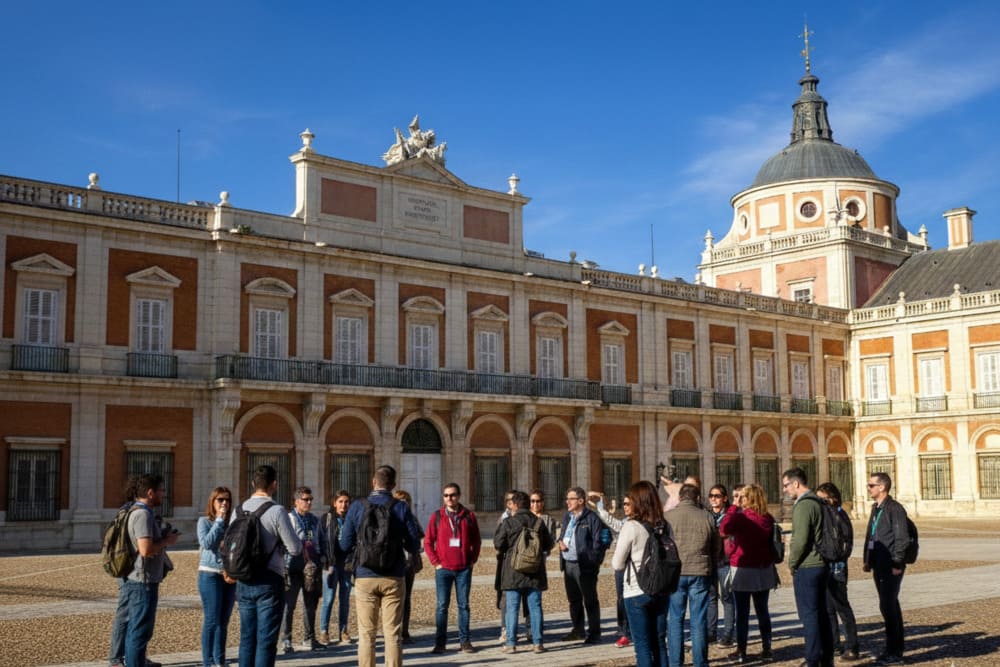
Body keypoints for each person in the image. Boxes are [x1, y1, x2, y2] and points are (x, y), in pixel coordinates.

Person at [340, 464, 423, 667]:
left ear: (373, 482)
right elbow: (414, 543)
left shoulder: (358, 507)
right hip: (393, 575)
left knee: (366, 634)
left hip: (365, 575)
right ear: (393, 485)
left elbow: (344, 543)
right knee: (393, 633)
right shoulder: (401, 507)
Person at [236, 464, 302, 667]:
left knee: (247, 638)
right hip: (270, 578)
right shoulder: (277, 511)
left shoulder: (239, 509)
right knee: (266, 641)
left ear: (253, 484)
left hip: (244, 578)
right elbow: (295, 548)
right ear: (274, 485)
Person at [121, 473, 179, 667]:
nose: (163, 494)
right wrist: (166, 541)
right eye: (161, 490)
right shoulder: (142, 514)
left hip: (140, 579)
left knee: (138, 629)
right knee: (139, 631)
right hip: (142, 580)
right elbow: (145, 550)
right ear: (150, 492)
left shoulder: (137, 512)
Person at [611, 481, 669, 667]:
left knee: (642, 645)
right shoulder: (664, 525)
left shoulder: (631, 527)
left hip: (636, 589)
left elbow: (617, 564)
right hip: (661, 588)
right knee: (659, 642)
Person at [719, 483, 777, 664]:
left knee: (742, 613)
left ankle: (741, 650)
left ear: (748, 498)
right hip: (764, 568)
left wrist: (733, 507)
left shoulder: (742, 518)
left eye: (742, 496)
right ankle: (767, 648)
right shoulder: (767, 518)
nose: (739, 499)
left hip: (743, 568)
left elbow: (723, 529)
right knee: (763, 611)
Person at [783, 466, 834, 667]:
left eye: (787, 485)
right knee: (821, 613)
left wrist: (792, 563)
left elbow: (801, 539)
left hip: (808, 565)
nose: (785, 490)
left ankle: (812, 659)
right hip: (821, 564)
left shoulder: (804, 505)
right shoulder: (818, 501)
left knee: (809, 615)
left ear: (796, 483)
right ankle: (827, 658)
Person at [494, 489, 554, 654]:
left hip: (513, 570)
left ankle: (511, 644)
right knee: (535, 606)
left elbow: (498, 543)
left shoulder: (509, 522)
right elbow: (549, 544)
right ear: (528, 505)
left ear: (515, 505)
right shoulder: (539, 522)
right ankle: (538, 643)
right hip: (535, 570)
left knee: (512, 607)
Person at [665, 483, 719, 667]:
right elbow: (716, 547)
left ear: (680, 498)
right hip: (700, 570)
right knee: (698, 620)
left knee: (675, 619)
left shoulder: (668, 517)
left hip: (676, 573)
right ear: (697, 498)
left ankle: (675, 662)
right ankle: (700, 663)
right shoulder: (707, 516)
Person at [424, 482, 482, 654]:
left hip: (463, 568)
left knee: (463, 605)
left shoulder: (469, 516)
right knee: (442, 606)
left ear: (459, 495)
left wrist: (472, 559)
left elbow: (477, 540)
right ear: (443, 497)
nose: (449, 498)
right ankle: (440, 642)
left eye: (453, 495)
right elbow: (427, 542)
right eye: (446, 495)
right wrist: (436, 562)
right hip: (443, 570)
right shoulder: (437, 517)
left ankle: (465, 641)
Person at [863, 472, 911, 666]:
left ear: (882, 487)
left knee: (888, 606)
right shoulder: (876, 508)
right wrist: (868, 558)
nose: (868, 488)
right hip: (878, 564)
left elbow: (902, 537)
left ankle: (895, 651)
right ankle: (893, 647)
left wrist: (898, 563)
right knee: (889, 605)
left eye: (871, 485)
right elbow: (871, 535)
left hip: (891, 565)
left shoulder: (895, 509)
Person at [558, 485, 612, 644]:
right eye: (567, 498)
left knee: (590, 600)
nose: (567, 502)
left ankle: (594, 633)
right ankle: (578, 630)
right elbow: (563, 534)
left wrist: (593, 560)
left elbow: (600, 542)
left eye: (571, 499)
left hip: (585, 565)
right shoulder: (568, 516)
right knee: (574, 600)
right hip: (569, 564)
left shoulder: (592, 518)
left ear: (580, 501)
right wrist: (561, 542)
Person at [816, 482, 859, 662]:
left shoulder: (840, 515)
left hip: (837, 566)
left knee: (841, 606)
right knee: (827, 608)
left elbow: (846, 542)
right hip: (825, 564)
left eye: (823, 499)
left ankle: (852, 646)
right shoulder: (825, 515)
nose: (820, 503)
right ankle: (834, 644)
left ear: (832, 498)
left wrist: (837, 557)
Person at [281, 486, 326, 653]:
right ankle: (286, 639)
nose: (309, 502)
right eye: (305, 499)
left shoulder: (314, 520)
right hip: (292, 565)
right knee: (289, 604)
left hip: (311, 568)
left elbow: (319, 540)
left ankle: (309, 637)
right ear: (296, 501)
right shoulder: (288, 518)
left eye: (310, 499)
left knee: (310, 604)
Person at [197, 486, 237, 667]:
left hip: (228, 575)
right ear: (212, 502)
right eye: (220, 500)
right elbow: (207, 543)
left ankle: (219, 660)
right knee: (212, 619)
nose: (224, 503)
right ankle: (208, 662)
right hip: (209, 574)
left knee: (223, 620)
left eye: (227, 500)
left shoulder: (232, 523)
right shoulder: (204, 522)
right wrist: (219, 521)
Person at [588, 488, 632, 649]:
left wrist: (600, 505)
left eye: (628, 504)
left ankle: (628, 632)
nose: (625, 507)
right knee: (621, 598)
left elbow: (613, 523)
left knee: (629, 599)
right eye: (624, 504)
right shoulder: (626, 522)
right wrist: (600, 505)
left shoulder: (636, 523)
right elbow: (613, 522)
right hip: (621, 567)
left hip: (632, 568)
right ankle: (623, 628)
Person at [524, 489, 559, 642]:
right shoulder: (525, 518)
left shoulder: (548, 520)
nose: (535, 504)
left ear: (542, 503)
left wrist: (543, 552)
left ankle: (537, 630)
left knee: (536, 598)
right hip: (524, 563)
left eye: (538, 501)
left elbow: (550, 541)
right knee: (526, 597)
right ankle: (529, 629)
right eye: (532, 501)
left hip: (539, 563)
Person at [319, 489, 353, 646]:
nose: (344, 505)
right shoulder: (326, 519)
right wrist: (324, 560)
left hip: (346, 565)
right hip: (331, 565)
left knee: (345, 599)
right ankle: (324, 631)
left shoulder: (351, 519)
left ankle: (343, 630)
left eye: (346, 502)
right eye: (340, 501)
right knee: (329, 598)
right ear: (334, 503)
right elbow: (320, 541)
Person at [392, 489, 425, 645]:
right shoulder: (390, 518)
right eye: (401, 501)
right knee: (392, 598)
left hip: (408, 564)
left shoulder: (412, 518)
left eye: (406, 501)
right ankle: (392, 630)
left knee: (407, 598)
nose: (404, 504)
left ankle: (404, 631)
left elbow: (419, 536)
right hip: (393, 563)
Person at [706, 484, 734, 646]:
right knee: (711, 597)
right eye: (711, 496)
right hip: (710, 561)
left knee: (727, 597)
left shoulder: (730, 516)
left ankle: (728, 633)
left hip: (725, 561)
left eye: (717, 496)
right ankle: (711, 632)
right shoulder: (707, 515)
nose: (713, 499)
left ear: (724, 498)